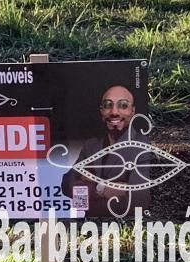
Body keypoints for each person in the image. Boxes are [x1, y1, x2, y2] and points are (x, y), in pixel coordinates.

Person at [59, 83, 148, 218]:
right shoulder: (91, 145)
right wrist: (101, 189)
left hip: (126, 228)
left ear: (132, 111)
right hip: (90, 227)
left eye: (123, 105)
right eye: (108, 105)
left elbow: (139, 200)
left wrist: (88, 185)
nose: (114, 112)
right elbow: (67, 184)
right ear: (101, 111)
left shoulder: (143, 145)